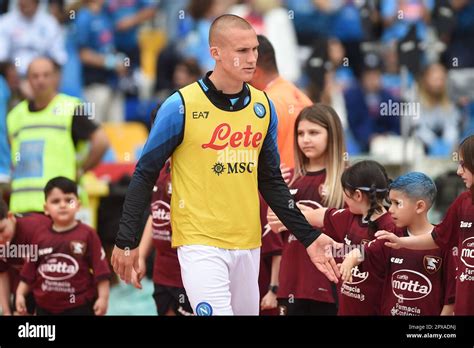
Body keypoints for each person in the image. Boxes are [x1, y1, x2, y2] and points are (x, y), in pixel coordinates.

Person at [111, 14, 341, 316]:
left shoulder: (264, 107)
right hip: (200, 243)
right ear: (215, 53)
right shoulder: (180, 105)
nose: (252, 58)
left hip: (248, 243)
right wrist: (126, 242)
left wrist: (308, 237)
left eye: (255, 49)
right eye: (241, 51)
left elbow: (271, 181)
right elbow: (143, 174)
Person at [271, 160, 397, 315]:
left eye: (344, 191)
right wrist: (289, 218)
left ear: (357, 195)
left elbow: (376, 249)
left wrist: (354, 256)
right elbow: (322, 215)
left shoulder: (390, 226)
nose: (343, 199)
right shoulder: (350, 217)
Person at [376, 135, 474, 315]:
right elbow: (438, 238)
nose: (459, 171)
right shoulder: (463, 202)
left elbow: (448, 299)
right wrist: (402, 242)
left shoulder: (446, 255)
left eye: (463, 164)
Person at [267, 104, 346, 315]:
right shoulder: (288, 177)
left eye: (314, 132)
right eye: (300, 133)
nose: (306, 139)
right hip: (292, 282)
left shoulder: (345, 178)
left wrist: (300, 217)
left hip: (330, 282)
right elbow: (274, 226)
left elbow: (352, 225)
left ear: (333, 135)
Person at [340, 172, 456, 316]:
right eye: (390, 203)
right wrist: (350, 259)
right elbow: (364, 251)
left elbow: (450, 300)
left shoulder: (444, 244)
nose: (390, 209)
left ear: (419, 206)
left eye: (397, 203)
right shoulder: (391, 235)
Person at [6, 57, 109, 214]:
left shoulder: (70, 108)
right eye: (35, 76)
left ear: (56, 78)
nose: (41, 81)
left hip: (59, 209)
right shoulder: (15, 116)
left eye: (46, 75)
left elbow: (101, 142)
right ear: (27, 80)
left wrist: (80, 170)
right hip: (21, 208)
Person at [16, 177, 111, 315]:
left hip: (79, 307)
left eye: (69, 200)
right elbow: (29, 271)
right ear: (46, 209)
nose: (62, 205)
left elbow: (101, 272)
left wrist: (103, 298)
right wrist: (19, 294)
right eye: (55, 201)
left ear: (78, 205)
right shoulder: (39, 236)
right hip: (44, 308)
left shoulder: (88, 234)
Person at [131, 158, 193, 316]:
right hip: (162, 271)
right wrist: (141, 257)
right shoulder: (159, 168)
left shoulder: (195, 170)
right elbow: (155, 215)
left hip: (186, 271)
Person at [249, 35, 312, 168]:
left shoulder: (261, 106)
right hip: (302, 185)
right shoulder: (302, 97)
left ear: (254, 71)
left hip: (277, 186)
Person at [0, 200, 51, 315]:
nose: (0, 239)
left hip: (53, 283)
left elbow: (50, 276)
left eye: (2, 230)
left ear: (10, 217)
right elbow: (2, 274)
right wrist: (6, 312)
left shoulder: (35, 230)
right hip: (24, 286)